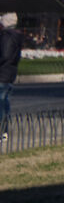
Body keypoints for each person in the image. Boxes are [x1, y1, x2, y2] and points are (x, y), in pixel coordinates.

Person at [0, 12, 21, 148]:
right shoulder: (15, 36)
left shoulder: (7, 37)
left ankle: (2, 130)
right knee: (4, 102)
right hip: (9, 73)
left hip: (3, 73)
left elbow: (5, 55)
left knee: (1, 103)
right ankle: (4, 129)